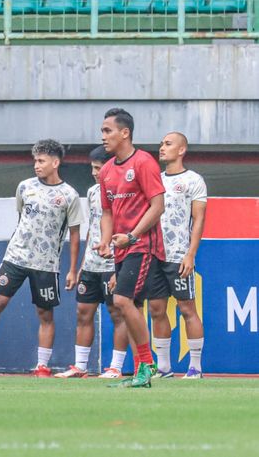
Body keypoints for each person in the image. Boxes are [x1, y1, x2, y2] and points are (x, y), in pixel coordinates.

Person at [0, 139, 82, 378]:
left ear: (55, 162)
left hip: (47, 264)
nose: (36, 165)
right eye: (35, 161)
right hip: (16, 257)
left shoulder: (69, 195)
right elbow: (22, 218)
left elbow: (74, 233)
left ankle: (42, 366)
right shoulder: (24, 187)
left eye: (41, 161)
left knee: (45, 313)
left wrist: (72, 269)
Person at [96, 108, 166, 388]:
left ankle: (148, 363)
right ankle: (141, 372)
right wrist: (105, 238)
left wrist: (133, 237)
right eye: (102, 131)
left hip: (142, 246)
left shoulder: (144, 162)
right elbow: (107, 212)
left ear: (125, 133)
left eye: (107, 130)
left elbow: (158, 206)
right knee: (131, 306)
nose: (103, 136)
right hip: (122, 249)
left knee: (121, 301)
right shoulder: (106, 170)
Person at [55, 146, 129, 379]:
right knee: (83, 312)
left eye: (98, 168)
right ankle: (81, 366)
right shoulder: (93, 191)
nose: (94, 173)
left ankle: (116, 367)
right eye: (93, 168)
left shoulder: (124, 191)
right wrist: (79, 267)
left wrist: (121, 266)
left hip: (114, 263)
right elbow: (93, 227)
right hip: (92, 264)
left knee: (117, 313)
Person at [148, 132, 207, 379]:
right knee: (156, 309)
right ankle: (164, 367)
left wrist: (190, 254)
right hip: (154, 255)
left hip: (179, 255)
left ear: (182, 150)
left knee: (186, 308)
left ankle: (195, 367)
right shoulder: (154, 180)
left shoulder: (194, 180)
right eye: (161, 143)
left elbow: (199, 219)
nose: (162, 147)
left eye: (168, 144)